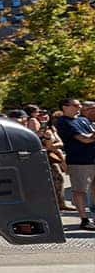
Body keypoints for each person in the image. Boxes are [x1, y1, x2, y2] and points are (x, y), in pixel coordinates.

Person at [57, 98, 95, 230]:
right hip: (79, 161)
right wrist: (91, 136)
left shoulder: (83, 120)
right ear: (64, 107)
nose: (79, 108)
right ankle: (84, 219)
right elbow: (85, 139)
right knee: (80, 191)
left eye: (80, 106)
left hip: (92, 159)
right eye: (76, 106)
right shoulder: (63, 122)